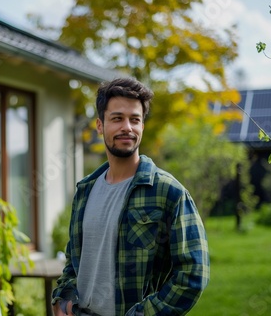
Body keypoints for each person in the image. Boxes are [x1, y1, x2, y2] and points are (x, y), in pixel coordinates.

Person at [51, 77, 209, 316]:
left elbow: (193, 274)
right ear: (100, 126)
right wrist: (63, 297)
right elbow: (74, 261)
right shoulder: (85, 190)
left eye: (135, 119)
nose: (127, 127)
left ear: (142, 126)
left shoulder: (169, 192)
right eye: (117, 118)